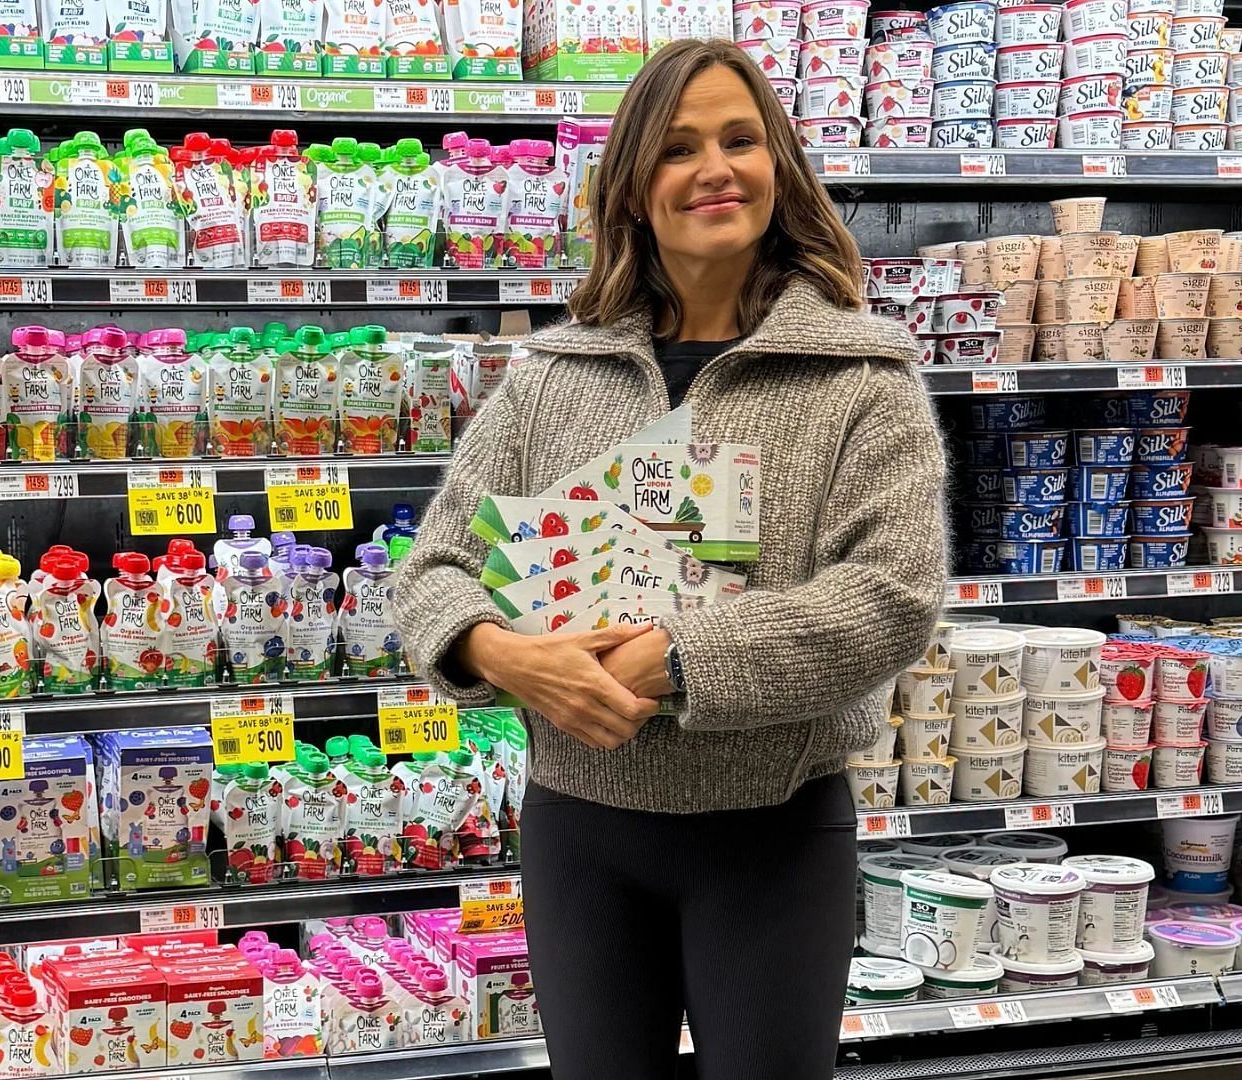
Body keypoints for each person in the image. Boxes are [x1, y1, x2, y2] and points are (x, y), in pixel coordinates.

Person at [392, 38, 950, 1080]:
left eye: (741, 140)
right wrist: (503, 655)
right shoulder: (553, 376)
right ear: (634, 189)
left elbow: (890, 599)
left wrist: (676, 660)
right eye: (678, 147)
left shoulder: (861, 380)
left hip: (772, 835)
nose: (714, 170)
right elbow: (433, 570)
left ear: (780, 169)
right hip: (581, 836)